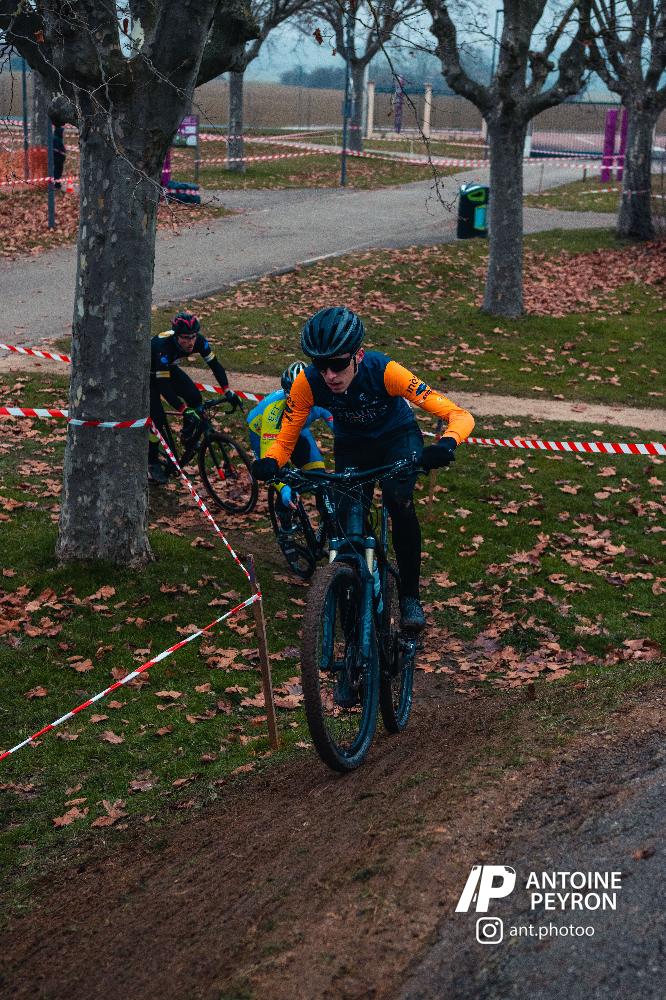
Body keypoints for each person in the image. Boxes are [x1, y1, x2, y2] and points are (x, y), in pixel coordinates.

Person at [252, 306, 475, 631]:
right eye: (320, 365)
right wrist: (271, 461)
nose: (330, 375)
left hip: (397, 437)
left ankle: (410, 596)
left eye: (338, 364)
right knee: (347, 520)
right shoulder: (307, 383)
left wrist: (446, 445)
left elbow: (459, 415)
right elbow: (285, 439)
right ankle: (355, 584)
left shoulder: (385, 371)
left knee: (398, 501)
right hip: (353, 444)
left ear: (358, 355)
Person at [149, 311, 240, 484]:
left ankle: (187, 436)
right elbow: (164, 387)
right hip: (149, 375)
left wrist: (228, 390)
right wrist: (183, 409)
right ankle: (151, 462)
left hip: (169, 369)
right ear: (176, 336)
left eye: (193, 336)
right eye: (185, 338)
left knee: (195, 399)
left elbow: (215, 365)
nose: (190, 342)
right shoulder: (163, 347)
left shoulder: (199, 341)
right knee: (157, 420)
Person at [247, 361, 333, 515]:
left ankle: (328, 520)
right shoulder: (273, 412)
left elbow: (341, 431)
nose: (299, 400)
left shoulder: (321, 399)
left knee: (320, 478)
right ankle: (285, 524)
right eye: (293, 396)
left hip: (297, 428)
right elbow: (269, 456)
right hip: (263, 432)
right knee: (282, 480)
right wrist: (283, 487)